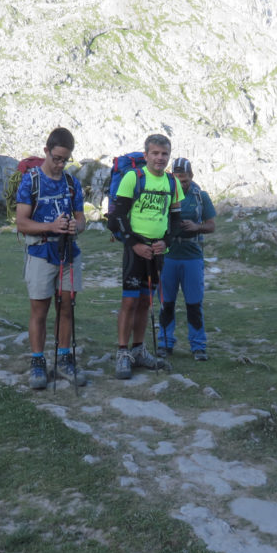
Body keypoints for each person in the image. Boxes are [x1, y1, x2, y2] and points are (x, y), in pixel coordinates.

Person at [15, 127, 86, 390]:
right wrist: (51, 227)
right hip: (41, 253)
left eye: (64, 160)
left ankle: (65, 358)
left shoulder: (71, 182)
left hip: (68, 253)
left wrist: (74, 227)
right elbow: (21, 223)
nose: (59, 164)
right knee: (40, 309)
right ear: (46, 151)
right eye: (56, 158)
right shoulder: (31, 181)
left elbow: (81, 219)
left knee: (67, 306)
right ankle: (37, 361)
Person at [108, 133, 183, 380]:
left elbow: (175, 219)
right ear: (146, 155)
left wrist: (166, 242)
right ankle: (122, 353)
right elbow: (116, 217)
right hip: (135, 251)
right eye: (155, 153)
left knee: (145, 302)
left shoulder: (173, 183)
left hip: (157, 252)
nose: (160, 158)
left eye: (164, 154)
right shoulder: (133, 177)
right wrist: (132, 244)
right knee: (129, 301)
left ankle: (139, 350)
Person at [158, 158, 217, 361]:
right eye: (177, 179)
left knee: (194, 303)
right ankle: (164, 344)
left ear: (192, 176)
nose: (181, 184)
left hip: (192, 256)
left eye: (185, 180)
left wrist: (196, 227)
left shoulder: (201, 196)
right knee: (166, 303)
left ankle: (198, 346)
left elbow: (211, 225)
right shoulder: (163, 194)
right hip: (168, 256)